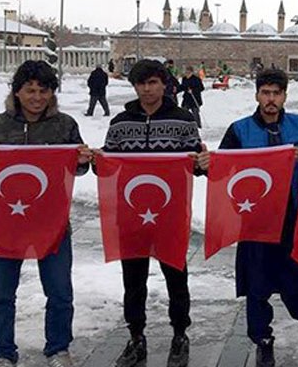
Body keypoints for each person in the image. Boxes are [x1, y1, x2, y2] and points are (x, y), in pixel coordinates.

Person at [209, 69, 298, 367]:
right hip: (255, 220)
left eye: (276, 93)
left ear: (285, 96)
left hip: (291, 218)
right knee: (257, 285)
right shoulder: (240, 130)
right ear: (257, 95)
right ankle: (262, 340)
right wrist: (205, 163)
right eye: (266, 93)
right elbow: (222, 169)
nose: (271, 99)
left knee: (297, 279)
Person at [0, 60, 92, 367]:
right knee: (2, 294)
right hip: (6, 223)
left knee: (59, 292)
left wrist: (84, 159)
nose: (36, 97)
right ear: (17, 92)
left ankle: (58, 348)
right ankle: (2, 351)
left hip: (52, 222)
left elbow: (78, 168)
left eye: (43, 91)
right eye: (29, 90)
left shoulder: (65, 125)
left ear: (52, 93)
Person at [101, 59, 207, 367]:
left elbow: (195, 166)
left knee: (176, 277)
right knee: (133, 281)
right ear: (134, 87)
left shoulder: (183, 119)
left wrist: (201, 163)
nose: (148, 89)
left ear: (164, 85)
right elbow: (110, 164)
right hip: (131, 215)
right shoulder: (120, 122)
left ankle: (179, 335)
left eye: (153, 83)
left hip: (169, 215)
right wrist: (96, 161)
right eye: (141, 84)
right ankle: (136, 336)